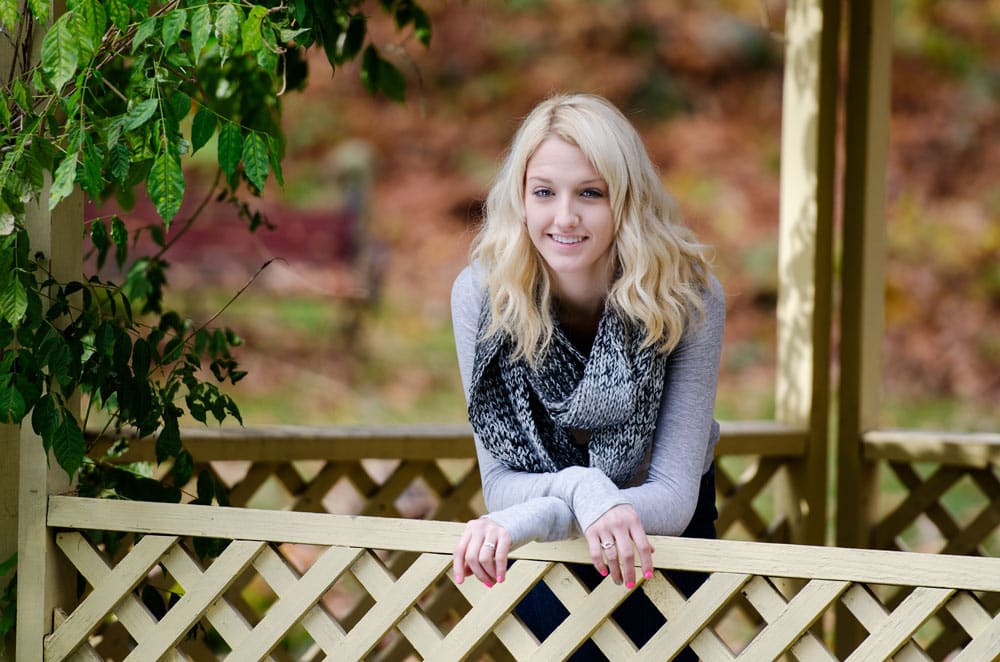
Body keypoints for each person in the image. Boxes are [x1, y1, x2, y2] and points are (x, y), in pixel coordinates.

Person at [450, 92, 725, 660]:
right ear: (521, 200)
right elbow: (498, 482)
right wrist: (583, 488)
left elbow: (674, 498)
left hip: (654, 535)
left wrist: (560, 510)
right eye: (544, 192)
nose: (565, 217)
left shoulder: (686, 294)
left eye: (591, 194)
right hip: (536, 532)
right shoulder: (484, 294)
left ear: (626, 200)